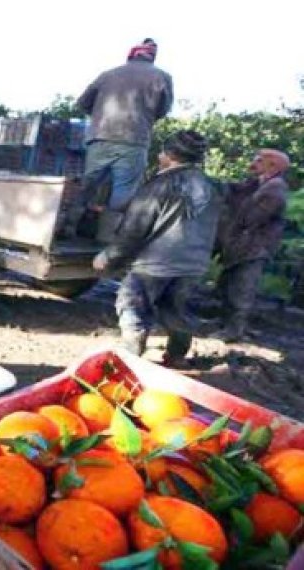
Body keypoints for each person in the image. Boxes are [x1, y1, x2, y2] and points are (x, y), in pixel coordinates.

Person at [92, 130, 220, 367]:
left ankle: (130, 359)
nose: (159, 156)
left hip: (155, 264)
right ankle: (177, 356)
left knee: (132, 306)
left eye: (162, 152)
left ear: (170, 155)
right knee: (176, 309)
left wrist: (109, 256)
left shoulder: (160, 184)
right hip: (194, 265)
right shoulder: (213, 187)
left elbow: (135, 228)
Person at [65, 39, 174, 238]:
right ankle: (106, 240)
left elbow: (82, 103)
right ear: (153, 57)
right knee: (123, 192)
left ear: (132, 54)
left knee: (87, 185)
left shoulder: (108, 74)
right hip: (134, 140)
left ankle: (67, 228)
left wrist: (99, 115)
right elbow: (163, 109)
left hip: (100, 137)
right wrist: (143, 116)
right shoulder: (162, 77)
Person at [214, 149, 291, 341]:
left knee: (241, 290)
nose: (252, 164)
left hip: (254, 248)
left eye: (258, 160)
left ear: (273, 166)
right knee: (228, 286)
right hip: (243, 247)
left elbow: (251, 219)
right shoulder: (258, 183)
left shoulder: (274, 188)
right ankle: (227, 326)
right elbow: (234, 190)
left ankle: (234, 331)